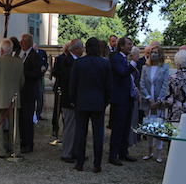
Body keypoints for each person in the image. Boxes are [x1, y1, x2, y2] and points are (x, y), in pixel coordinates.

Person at [69, 37, 112, 172]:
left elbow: (73, 83)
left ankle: (80, 162)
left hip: (82, 101)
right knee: (98, 134)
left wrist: (73, 99)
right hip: (98, 102)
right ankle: (97, 164)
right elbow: (109, 86)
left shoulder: (79, 63)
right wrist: (105, 101)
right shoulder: (104, 64)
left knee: (81, 133)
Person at [0, 38, 25, 158]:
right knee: (14, 127)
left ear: (1, 50)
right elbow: (22, 81)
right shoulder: (19, 62)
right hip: (14, 98)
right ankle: (16, 150)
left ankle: (1, 151)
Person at [108, 37, 136, 165]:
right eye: (129, 44)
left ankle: (123, 151)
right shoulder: (115, 57)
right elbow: (122, 73)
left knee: (126, 127)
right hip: (119, 99)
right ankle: (113, 154)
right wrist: (134, 63)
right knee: (118, 127)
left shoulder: (125, 59)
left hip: (128, 98)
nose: (131, 46)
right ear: (121, 46)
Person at [55, 39, 83, 162]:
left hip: (74, 99)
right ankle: (66, 153)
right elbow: (71, 80)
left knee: (75, 127)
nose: (83, 50)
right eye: (82, 47)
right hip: (68, 99)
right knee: (70, 127)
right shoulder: (68, 61)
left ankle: (74, 151)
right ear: (76, 49)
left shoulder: (74, 61)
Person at [140, 46, 169, 162]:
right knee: (149, 125)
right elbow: (142, 83)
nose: (153, 54)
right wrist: (148, 98)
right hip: (148, 101)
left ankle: (159, 152)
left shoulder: (165, 68)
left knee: (159, 126)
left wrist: (159, 100)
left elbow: (165, 84)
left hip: (159, 102)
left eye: (156, 52)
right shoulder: (145, 67)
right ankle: (149, 150)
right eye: (152, 52)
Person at [18, 34, 44, 153]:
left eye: (22, 41)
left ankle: (28, 143)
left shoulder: (35, 56)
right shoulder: (21, 55)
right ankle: (23, 140)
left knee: (27, 119)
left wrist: (23, 75)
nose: (21, 43)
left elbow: (37, 73)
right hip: (22, 92)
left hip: (29, 92)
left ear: (28, 42)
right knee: (22, 118)